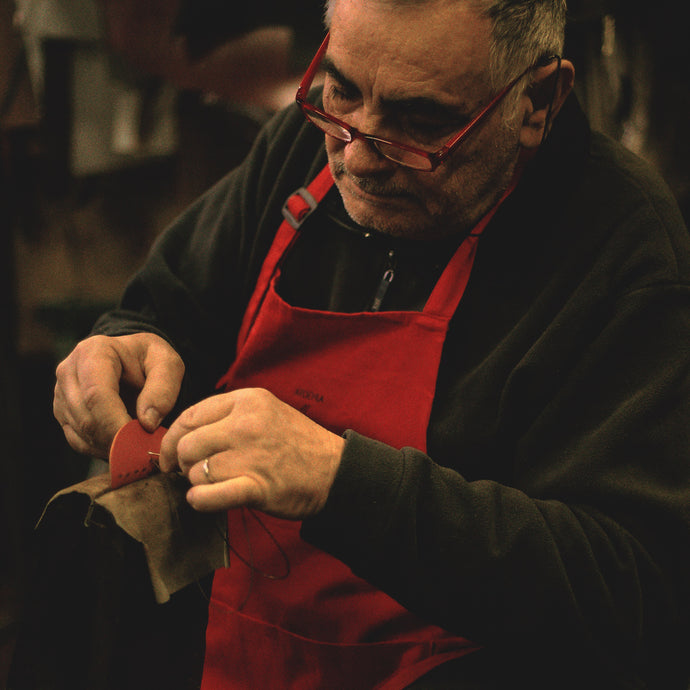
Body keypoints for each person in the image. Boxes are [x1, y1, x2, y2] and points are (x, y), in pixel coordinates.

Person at [52, 0, 690, 687]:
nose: (358, 157)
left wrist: (342, 483)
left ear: (537, 101)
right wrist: (124, 346)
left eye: (422, 123)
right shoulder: (304, 151)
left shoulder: (621, 250)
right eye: (341, 90)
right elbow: (167, 307)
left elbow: (635, 596)